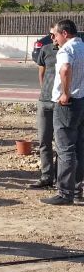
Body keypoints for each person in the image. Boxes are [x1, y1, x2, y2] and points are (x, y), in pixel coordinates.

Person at [41, 19, 84, 205]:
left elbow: (65, 69)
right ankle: (76, 189)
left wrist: (65, 93)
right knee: (79, 147)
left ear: (65, 33)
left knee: (65, 148)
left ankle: (65, 192)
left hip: (67, 104)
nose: (54, 40)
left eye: (56, 35)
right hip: (81, 101)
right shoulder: (82, 47)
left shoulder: (66, 50)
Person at [30, 24, 59, 189]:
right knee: (44, 140)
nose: (51, 38)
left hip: (62, 103)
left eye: (53, 34)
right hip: (45, 101)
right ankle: (46, 176)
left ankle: (59, 177)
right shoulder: (46, 50)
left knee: (61, 143)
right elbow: (41, 73)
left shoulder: (69, 51)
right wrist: (44, 91)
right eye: (50, 34)